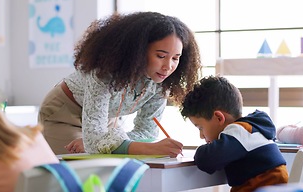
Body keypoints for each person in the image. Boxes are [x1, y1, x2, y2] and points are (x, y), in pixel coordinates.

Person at [39, 11, 202, 156]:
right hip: (64, 113)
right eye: (160, 56)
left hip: (104, 119)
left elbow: (146, 133)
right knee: (86, 173)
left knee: (108, 160)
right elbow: (97, 141)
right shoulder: (104, 73)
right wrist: (97, 142)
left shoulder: (161, 83)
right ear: (138, 51)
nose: (168, 67)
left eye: (175, 58)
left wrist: (100, 141)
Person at [180, 75, 288, 192]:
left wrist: (200, 151)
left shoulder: (239, 132)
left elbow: (206, 160)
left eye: (200, 128)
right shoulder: (254, 129)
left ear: (219, 118)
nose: (201, 136)